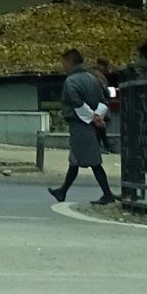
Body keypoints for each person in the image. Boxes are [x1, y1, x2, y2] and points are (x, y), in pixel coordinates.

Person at [50, 46, 115, 206]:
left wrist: (93, 118)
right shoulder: (92, 78)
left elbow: (77, 103)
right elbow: (103, 101)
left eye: (64, 63)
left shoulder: (71, 81)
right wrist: (98, 116)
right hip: (91, 123)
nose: (63, 66)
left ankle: (107, 193)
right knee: (76, 159)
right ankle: (63, 190)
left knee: (92, 160)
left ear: (70, 62)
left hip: (81, 124)